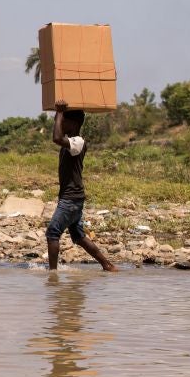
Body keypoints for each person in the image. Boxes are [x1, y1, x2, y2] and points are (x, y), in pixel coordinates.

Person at [46, 100, 117, 271]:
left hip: (71, 198)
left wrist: (60, 112)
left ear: (74, 124)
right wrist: (60, 113)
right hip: (72, 197)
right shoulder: (71, 142)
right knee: (78, 236)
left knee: (52, 233)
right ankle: (107, 265)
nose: (61, 124)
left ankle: (52, 275)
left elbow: (56, 138)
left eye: (65, 121)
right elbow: (59, 136)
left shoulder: (78, 142)